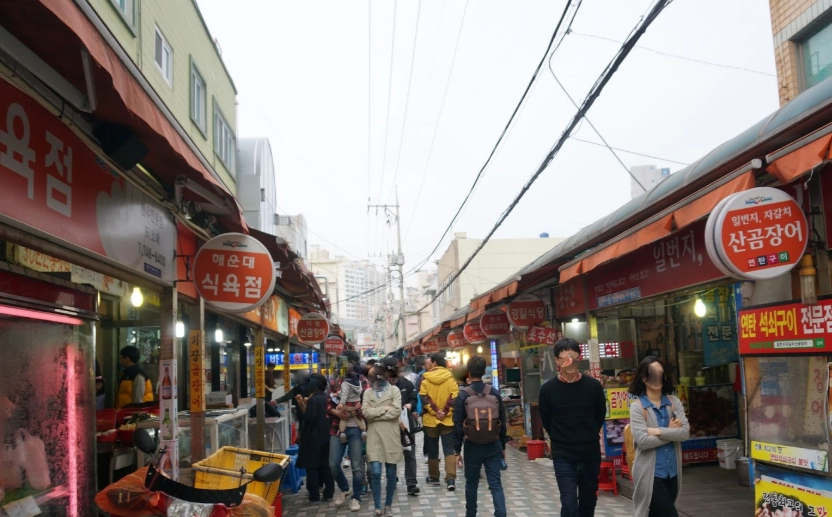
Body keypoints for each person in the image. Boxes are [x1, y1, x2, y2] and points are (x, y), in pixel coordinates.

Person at [539, 338, 606, 517]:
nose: (569, 361)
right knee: (568, 503)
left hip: (589, 453)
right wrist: (560, 437)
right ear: (557, 361)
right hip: (563, 454)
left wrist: (587, 433)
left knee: (588, 502)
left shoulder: (593, 387)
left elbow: (599, 415)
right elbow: (546, 419)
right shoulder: (548, 390)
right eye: (565, 357)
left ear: (579, 358)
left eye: (573, 357)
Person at [628, 357, 690, 517]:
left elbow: (684, 433)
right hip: (649, 474)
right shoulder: (637, 407)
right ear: (643, 377)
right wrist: (670, 431)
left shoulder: (673, 402)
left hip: (673, 473)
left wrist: (657, 431)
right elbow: (642, 441)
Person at [453, 355, 508, 517]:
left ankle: (471, 514)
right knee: (496, 484)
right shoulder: (494, 392)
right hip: (493, 445)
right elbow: (503, 422)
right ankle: (501, 514)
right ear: (484, 371)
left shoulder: (463, 395)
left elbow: (457, 425)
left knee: (471, 483)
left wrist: (457, 451)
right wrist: (503, 446)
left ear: (468, 372)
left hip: (472, 445)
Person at [329, 351, 370, 510]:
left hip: (358, 430)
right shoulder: (335, 381)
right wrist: (336, 412)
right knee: (333, 464)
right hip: (337, 429)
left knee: (357, 466)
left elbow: (367, 405)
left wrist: (354, 410)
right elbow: (329, 403)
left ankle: (356, 497)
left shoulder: (363, 382)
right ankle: (345, 488)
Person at [362, 363, 404, 517]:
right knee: (375, 472)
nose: (376, 384)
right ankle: (378, 506)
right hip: (374, 436)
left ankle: (388, 505)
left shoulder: (394, 390)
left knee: (391, 473)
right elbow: (366, 412)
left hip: (391, 436)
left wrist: (376, 413)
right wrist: (384, 409)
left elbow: (396, 412)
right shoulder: (367, 393)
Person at [419, 351, 459, 491]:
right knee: (449, 449)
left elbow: (424, 398)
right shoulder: (451, 379)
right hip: (447, 420)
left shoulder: (425, 379)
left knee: (432, 449)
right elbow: (454, 398)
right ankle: (451, 479)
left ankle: (434, 477)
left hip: (431, 421)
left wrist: (435, 411)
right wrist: (445, 412)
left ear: (434, 363)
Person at [383, 357, 420, 495]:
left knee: (409, 453)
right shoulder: (380, 386)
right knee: (390, 454)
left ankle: (411, 483)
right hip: (388, 424)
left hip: (405, 424)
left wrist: (410, 404)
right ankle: (392, 479)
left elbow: (414, 397)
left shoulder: (406, 384)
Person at [295, 374, 335, 504]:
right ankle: (329, 494)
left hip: (313, 437)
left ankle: (314, 496)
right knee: (325, 466)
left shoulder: (313, 400)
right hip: (328, 436)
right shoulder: (328, 398)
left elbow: (307, 419)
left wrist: (301, 405)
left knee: (312, 467)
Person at [337, 362, 368, 443]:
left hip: (347, 405)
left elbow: (344, 394)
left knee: (343, 419)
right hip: (356, 404)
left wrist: (340, 403)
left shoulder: (345, 383)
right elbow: (360, 392)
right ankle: (364, 431)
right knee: (359, 418)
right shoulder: (358, 382)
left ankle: (342, 433)